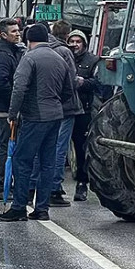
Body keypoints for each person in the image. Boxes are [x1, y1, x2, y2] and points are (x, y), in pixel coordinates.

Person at [0, 24, 74, 222]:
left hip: (35, 116)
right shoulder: (60, 58)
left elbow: (19, 87)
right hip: (55, 115)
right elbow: (69, 89)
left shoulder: (29, 58)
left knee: (22, 160)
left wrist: (13, 113)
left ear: (29, 40)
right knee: (47, 163)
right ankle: (42, 209)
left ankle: (19, 207)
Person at [45, 20, 84, 207]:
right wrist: (80, 82)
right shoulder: (64, 52)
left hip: (45, 105)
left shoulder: (40, 50)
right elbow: (70, 80)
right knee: (60, 148)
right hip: (65, 107)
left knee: (44, 147)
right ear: (67, 35)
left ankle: (38, 186)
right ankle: (54, 188)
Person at [0, 18, 24, 201]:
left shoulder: (12, 51)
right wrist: (14, 104)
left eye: (18, 30)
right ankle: (0, 186)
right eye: (13, 31)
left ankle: (6, 185)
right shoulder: (1, 54)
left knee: (10, 149)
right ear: (2, 34)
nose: (18, 34)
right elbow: (0, 83)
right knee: (6, 149)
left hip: (8, 109)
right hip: (5, 111)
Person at [67, 30, 101, 202]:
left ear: (84, 44)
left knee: (82, 148)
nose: (74, 44)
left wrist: (82, 82)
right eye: (71, 41)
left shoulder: (93, 61)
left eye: (78, 41)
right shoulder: (65, 58)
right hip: (65, 110)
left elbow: (99, 83)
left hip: (84, 110)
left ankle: (82, 183)